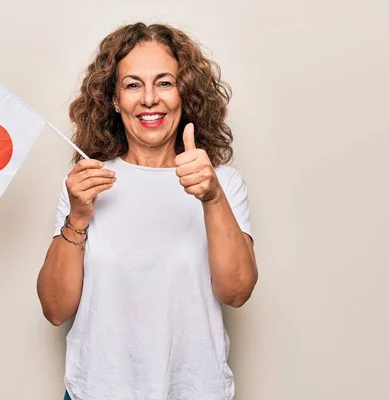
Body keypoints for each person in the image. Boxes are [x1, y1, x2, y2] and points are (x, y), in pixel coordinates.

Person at [37, 22, 258, 400]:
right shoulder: (87, 184)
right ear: (114, 98)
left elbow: (236, 291)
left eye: (165, 82)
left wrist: (212, 197)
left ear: (184, 93)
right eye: (133, 84)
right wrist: (77, 218)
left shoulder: (222, 182)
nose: (149, 99)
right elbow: (56, 309)